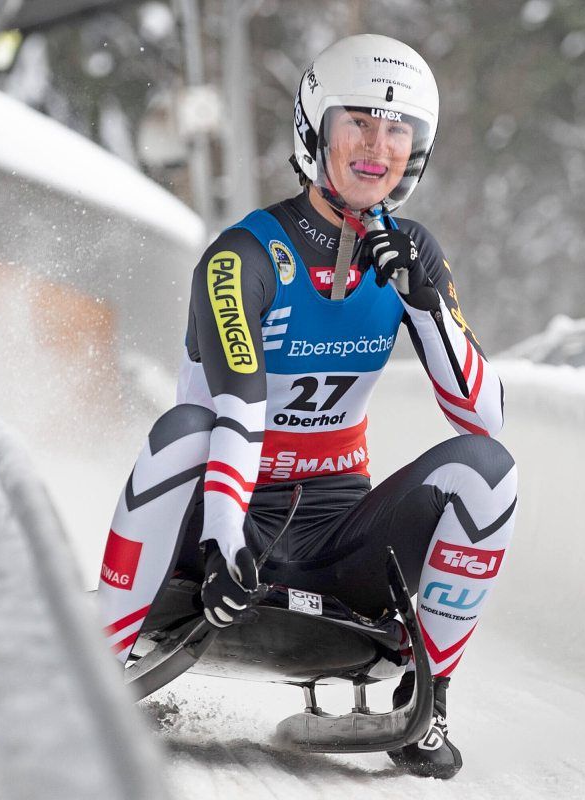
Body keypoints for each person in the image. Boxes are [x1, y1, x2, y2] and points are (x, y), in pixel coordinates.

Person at [96, 33, 516, 779]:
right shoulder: (243, 254)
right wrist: (227, 537)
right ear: (314, 129)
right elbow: (237, 400)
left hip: (334, 535)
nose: (375, 147)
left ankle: (429, 701)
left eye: (396, 131)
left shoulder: (414, 254)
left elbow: (483, 421)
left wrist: (430, 309)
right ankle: (94, 664)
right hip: (215, 527)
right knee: (182, 430)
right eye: (356, 122)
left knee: (489, 473)